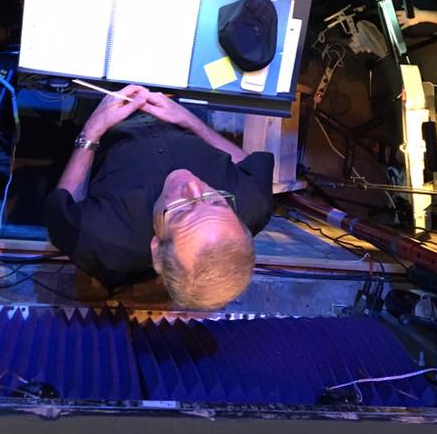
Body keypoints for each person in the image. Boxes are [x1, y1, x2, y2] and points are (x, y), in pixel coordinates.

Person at [44, 84, 274, 310]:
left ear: (156, 247)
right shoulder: (252, 204)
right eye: (216, 201)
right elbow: (244, 164)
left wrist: (92, 131)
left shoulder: (104, 240)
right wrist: (189, 120)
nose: (192, 184)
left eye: (181, 211)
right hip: (180, 103)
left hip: (107, 115)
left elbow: (65, 204)